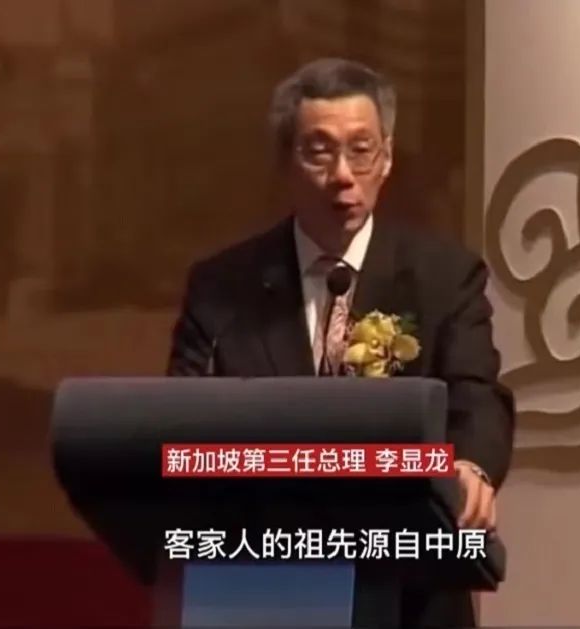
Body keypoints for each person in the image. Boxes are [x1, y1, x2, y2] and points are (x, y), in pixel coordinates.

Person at [166, 57, 514, 628]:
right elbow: (183, 419)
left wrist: (471, 464)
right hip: (262, 588)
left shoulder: (443, 277)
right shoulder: (222, 288)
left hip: (409, 596)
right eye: (320, 152)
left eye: (362, 150)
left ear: (388, 157)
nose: (343, 175)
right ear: (285, 160)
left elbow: (475, 393)